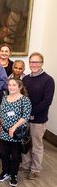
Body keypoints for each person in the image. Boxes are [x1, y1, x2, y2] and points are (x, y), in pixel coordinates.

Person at [21, 52, 55, 180]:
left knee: (36, 145)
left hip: (38, 119)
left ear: (42, 63)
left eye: (37, 62)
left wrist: (30, 113)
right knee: (25, 142)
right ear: (29, 63)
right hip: (24, 118)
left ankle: (35, 169)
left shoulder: (48, 80)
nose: (34, 64)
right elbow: (22, 98)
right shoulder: (26, 79)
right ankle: (25, 165)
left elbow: (47, 101)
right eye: (32, 62)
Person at [0, 78, 31, 186]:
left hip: (16, 134)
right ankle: (5, 172)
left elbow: (25, 116)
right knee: (4, 154)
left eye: (14, 85)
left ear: (19, 87)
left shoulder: (24, 100)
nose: (11, 87)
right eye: (9, 85)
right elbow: (0, 112)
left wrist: (14, 127)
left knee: (15, 156)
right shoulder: (5, 98)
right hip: (4, 132)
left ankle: (13, 175)